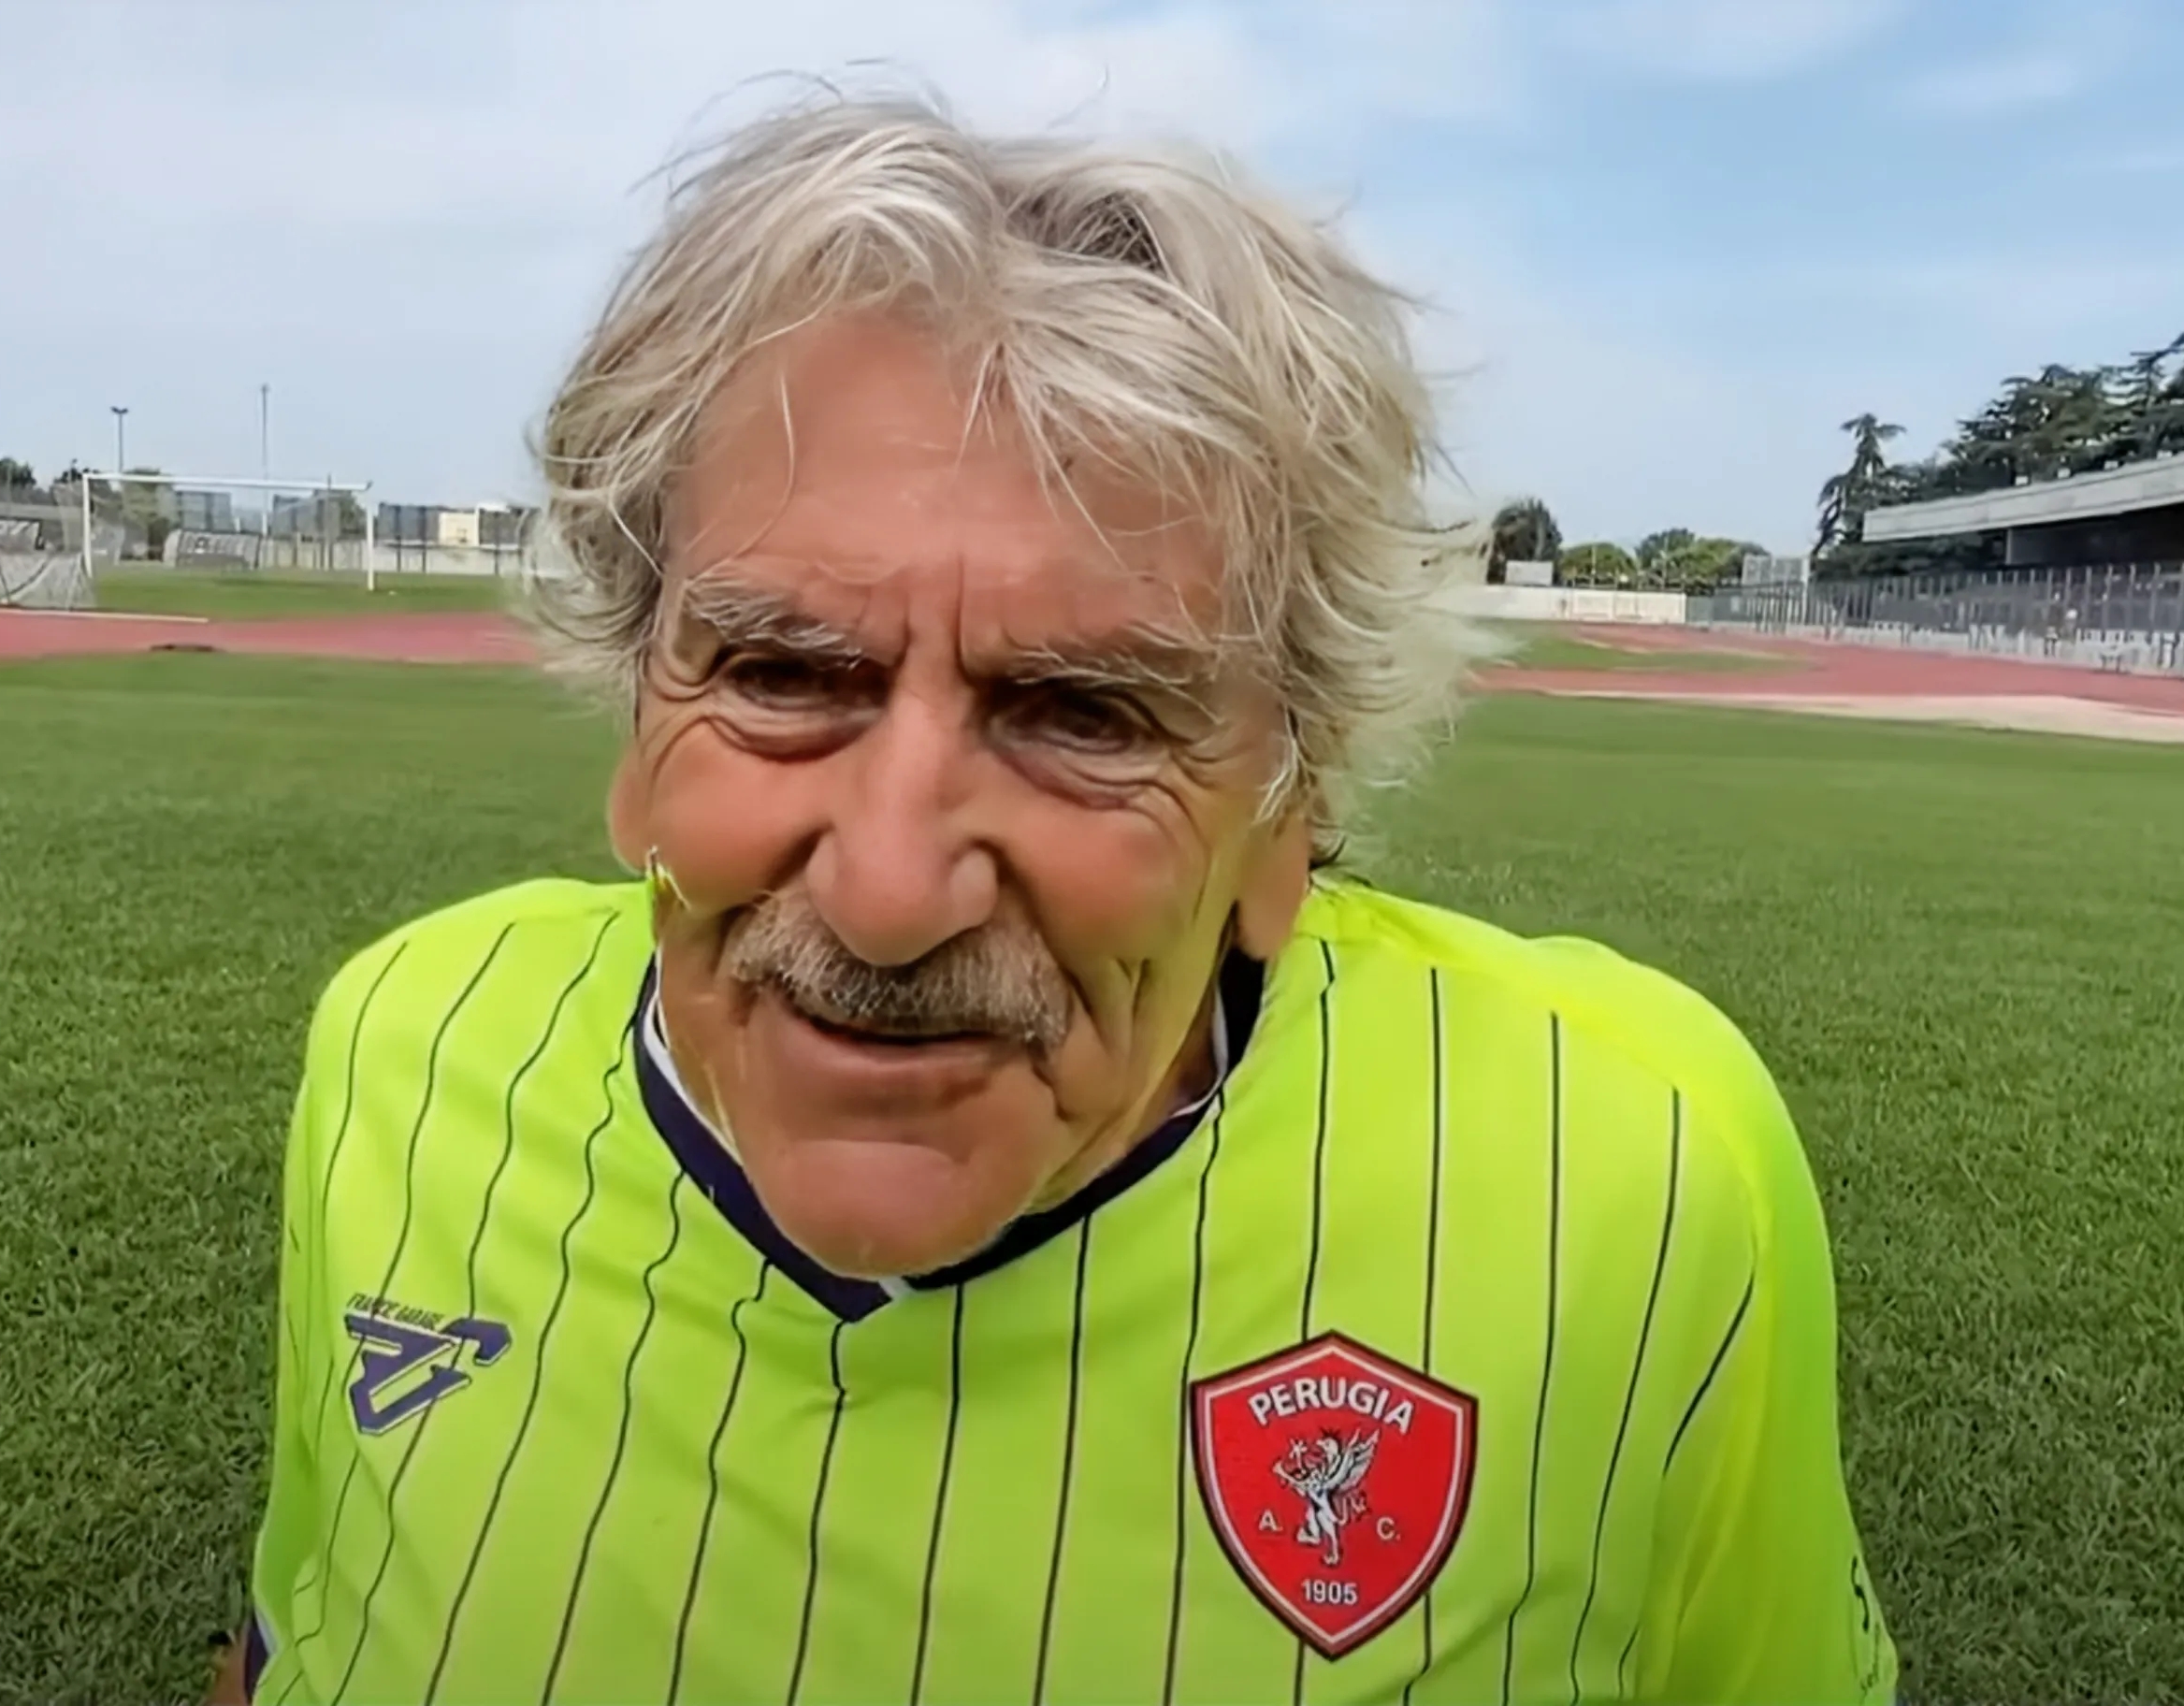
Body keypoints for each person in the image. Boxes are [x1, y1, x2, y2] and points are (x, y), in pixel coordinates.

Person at [216, 92, 1898, 1706]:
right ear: (638, 735)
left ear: (1290, 808)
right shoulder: (404, 1049)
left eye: (1086, 714)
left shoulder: (1627, 1171)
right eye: (783, 674)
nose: (888, 894)